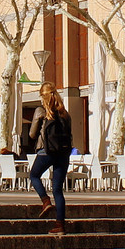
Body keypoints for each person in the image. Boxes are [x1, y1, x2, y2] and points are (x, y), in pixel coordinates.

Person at [28, 87, 74, 236]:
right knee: (58, 190)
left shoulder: (41, 111)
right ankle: (60, 225)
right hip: (63, 153)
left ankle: (45, 201)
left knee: (34, 175)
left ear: (43, 96)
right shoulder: (65, 114)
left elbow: (32, 134)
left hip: (46, 151)